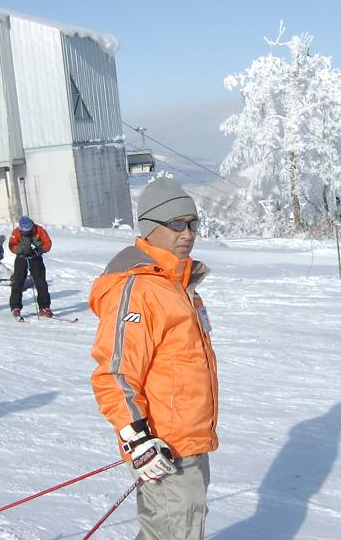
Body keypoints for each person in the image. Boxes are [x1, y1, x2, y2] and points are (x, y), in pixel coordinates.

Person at [89, 177, 217, 540]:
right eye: (176, 223)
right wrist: (139, 440)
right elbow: (114, 374)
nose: (187, 233)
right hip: (162, 447)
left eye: (192, 223)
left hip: (189, 442)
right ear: (150, 228)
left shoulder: (178, 285)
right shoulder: (140, 289)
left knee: (170, 531)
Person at [8, 216, 52, 318]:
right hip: (21, 259)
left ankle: (44, 307)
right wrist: (20, 249)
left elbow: (48, 244)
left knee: (41, 283)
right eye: (24, 231)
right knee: (17, 282)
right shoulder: (16, 232)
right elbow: (12, 245)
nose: (26, 233)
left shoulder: (39, 230)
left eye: (28, 231)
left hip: (35, 259)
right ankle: (15, 307)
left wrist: (39, 250)